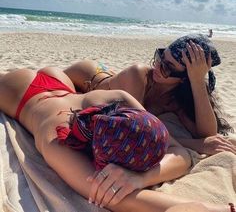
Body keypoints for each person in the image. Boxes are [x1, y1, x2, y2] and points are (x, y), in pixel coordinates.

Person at [0, 66, 233, 212]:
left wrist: (141, 178)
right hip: (17, 89)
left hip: (63, 85)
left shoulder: (119, 99)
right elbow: (113, 198)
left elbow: (179, 151)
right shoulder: (55, 139)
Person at [64, 34, 235, 156]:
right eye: (160, 56)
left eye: (167, 67)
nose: (157, 66)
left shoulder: (175, 98)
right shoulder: (138, 74)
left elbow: (207, 134)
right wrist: (197, 145)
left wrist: (198, 82)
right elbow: (136, 129)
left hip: (110, 79)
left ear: (184, 79)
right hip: (87, 75)